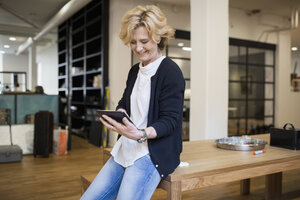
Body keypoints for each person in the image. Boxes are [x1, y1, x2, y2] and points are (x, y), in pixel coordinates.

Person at [80, 5, 185, 200]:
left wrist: (140, 134)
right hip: (126, 148)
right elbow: (125, 101)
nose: (138, 48)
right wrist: (119, 115)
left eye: (144, 41)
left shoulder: (170, 71)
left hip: (152, 154)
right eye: (133, 42)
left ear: (158, 37)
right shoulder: (135, 70)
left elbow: (170, 121)